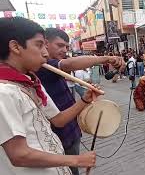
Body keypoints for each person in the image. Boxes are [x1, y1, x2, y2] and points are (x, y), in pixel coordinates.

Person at [0, 17, 97, 175]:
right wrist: (76, 160)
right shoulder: (3, 92)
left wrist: (85, 99)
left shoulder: (31, 83)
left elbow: (58, 120)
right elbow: (19, 155)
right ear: (15, 47)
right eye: (39, 45)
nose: (45, 54)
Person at [36, 28, 125, 175]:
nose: (64, 50)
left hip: (71, 131)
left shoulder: (51, 66)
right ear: (45, 44)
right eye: (59, 45)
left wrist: (85, 101)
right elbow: (69, 64)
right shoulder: (42, 66)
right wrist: (106, 58)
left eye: (66, 46)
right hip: (60, 136)